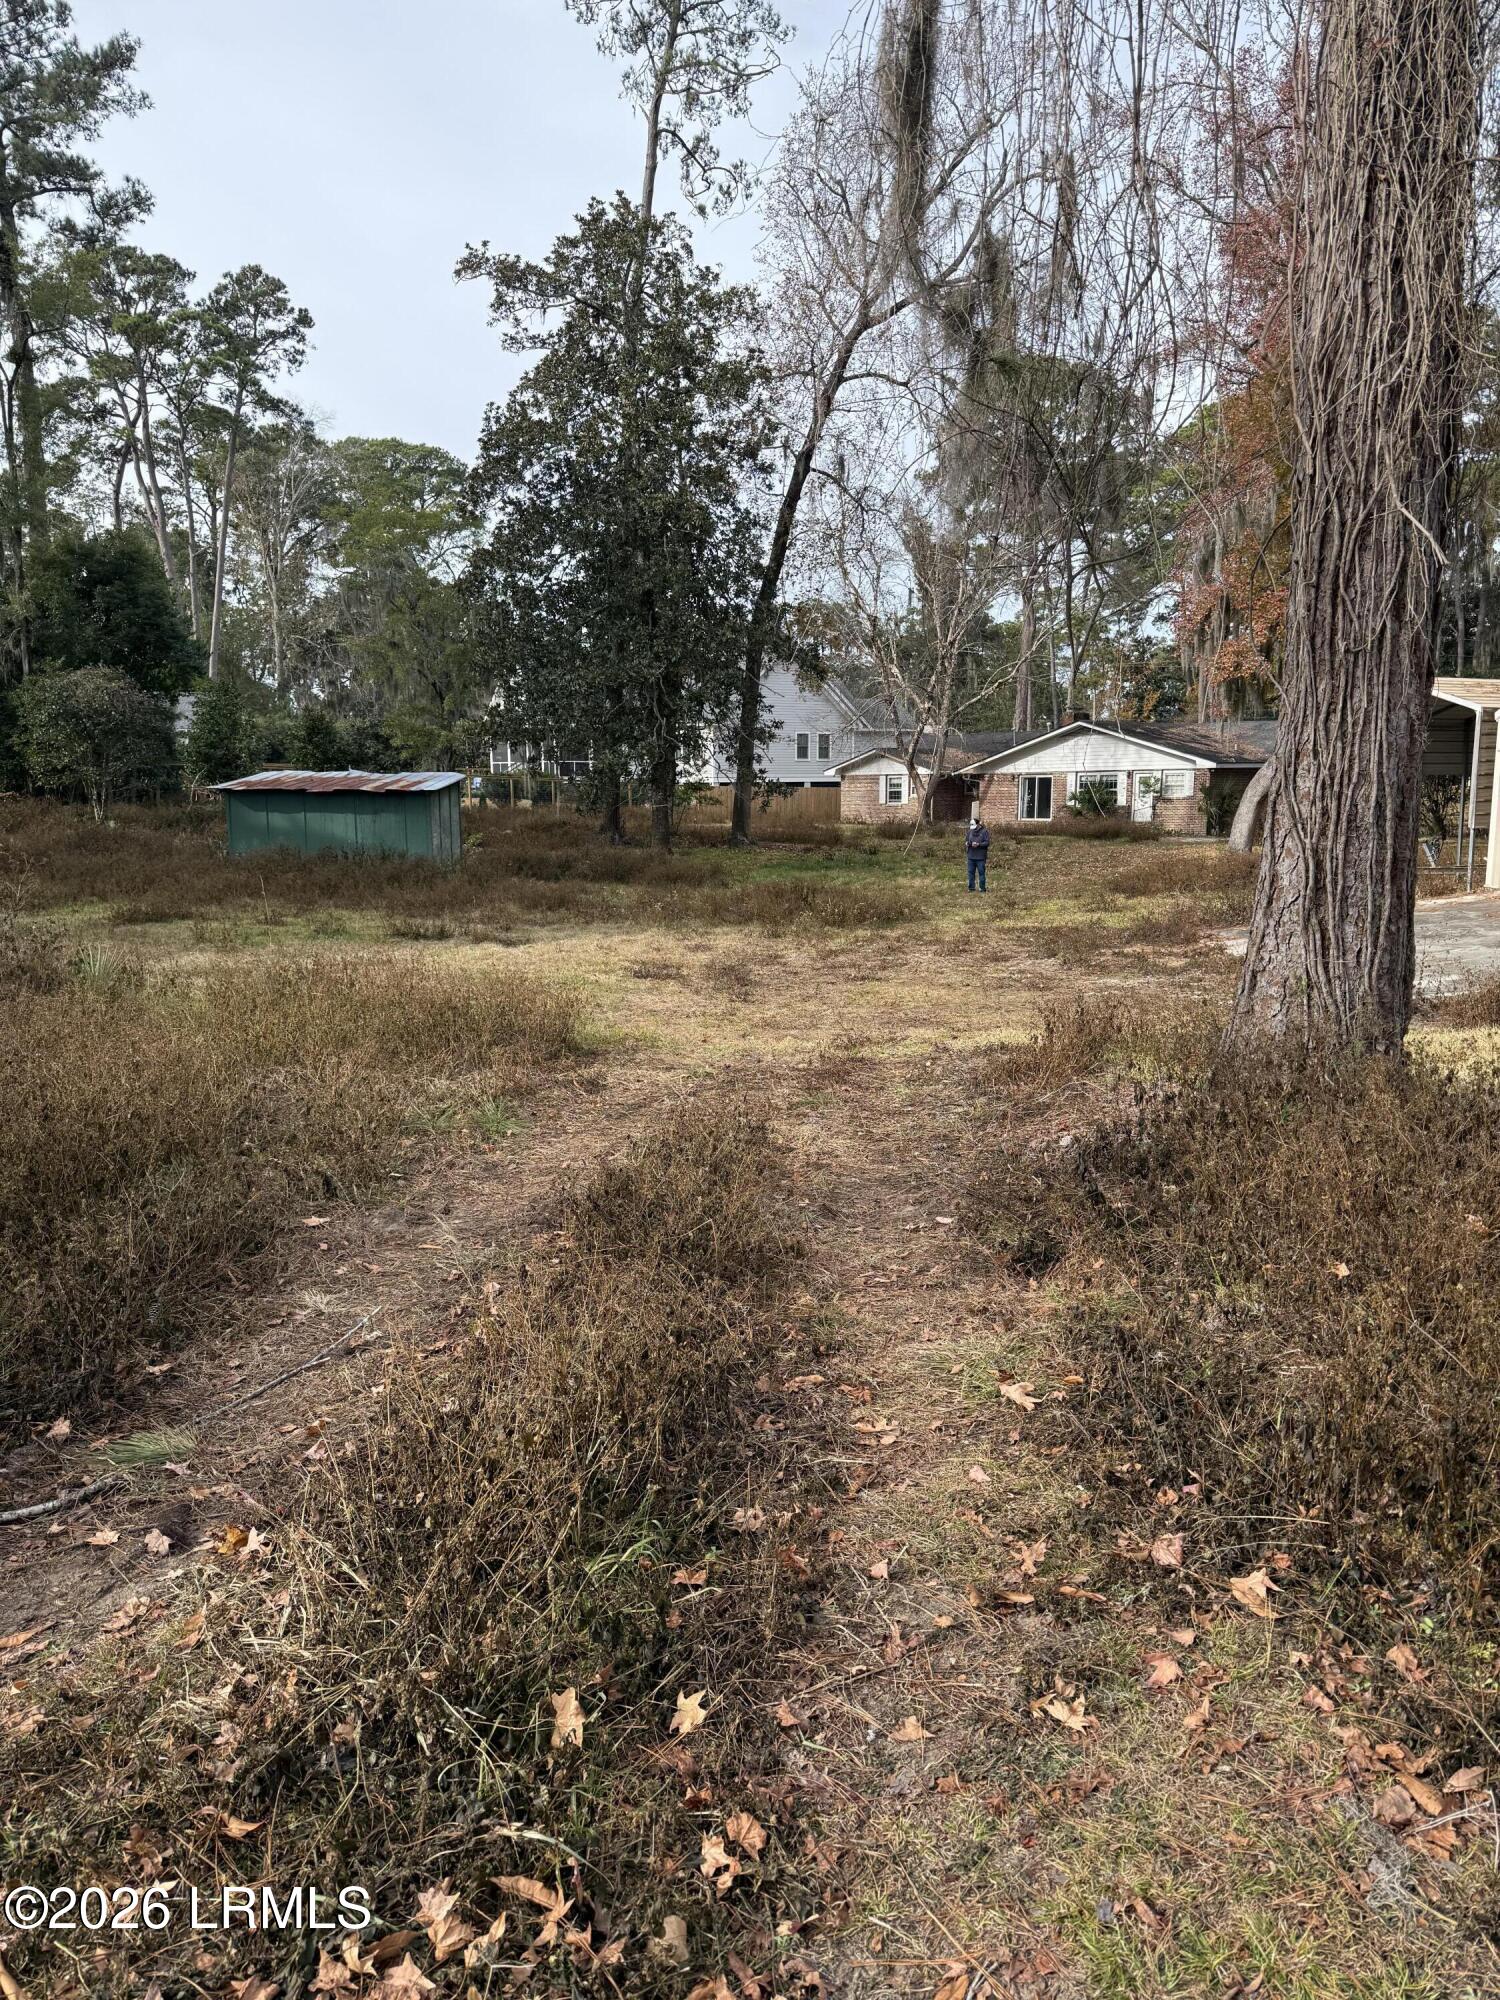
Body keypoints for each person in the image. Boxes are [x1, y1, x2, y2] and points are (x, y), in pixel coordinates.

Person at [965, 813, 990, 893]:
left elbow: (987, 843)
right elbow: (966, 841)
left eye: (974, 826)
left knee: (981, 873)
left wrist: (979, 844)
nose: (972, 828)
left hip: (980, 857)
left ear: (978, 824)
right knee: (970, 873)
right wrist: (968, 843)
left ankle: (982, 889)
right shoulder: (970, 831)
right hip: (971, 856)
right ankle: (971, 888)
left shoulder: (984, 832)